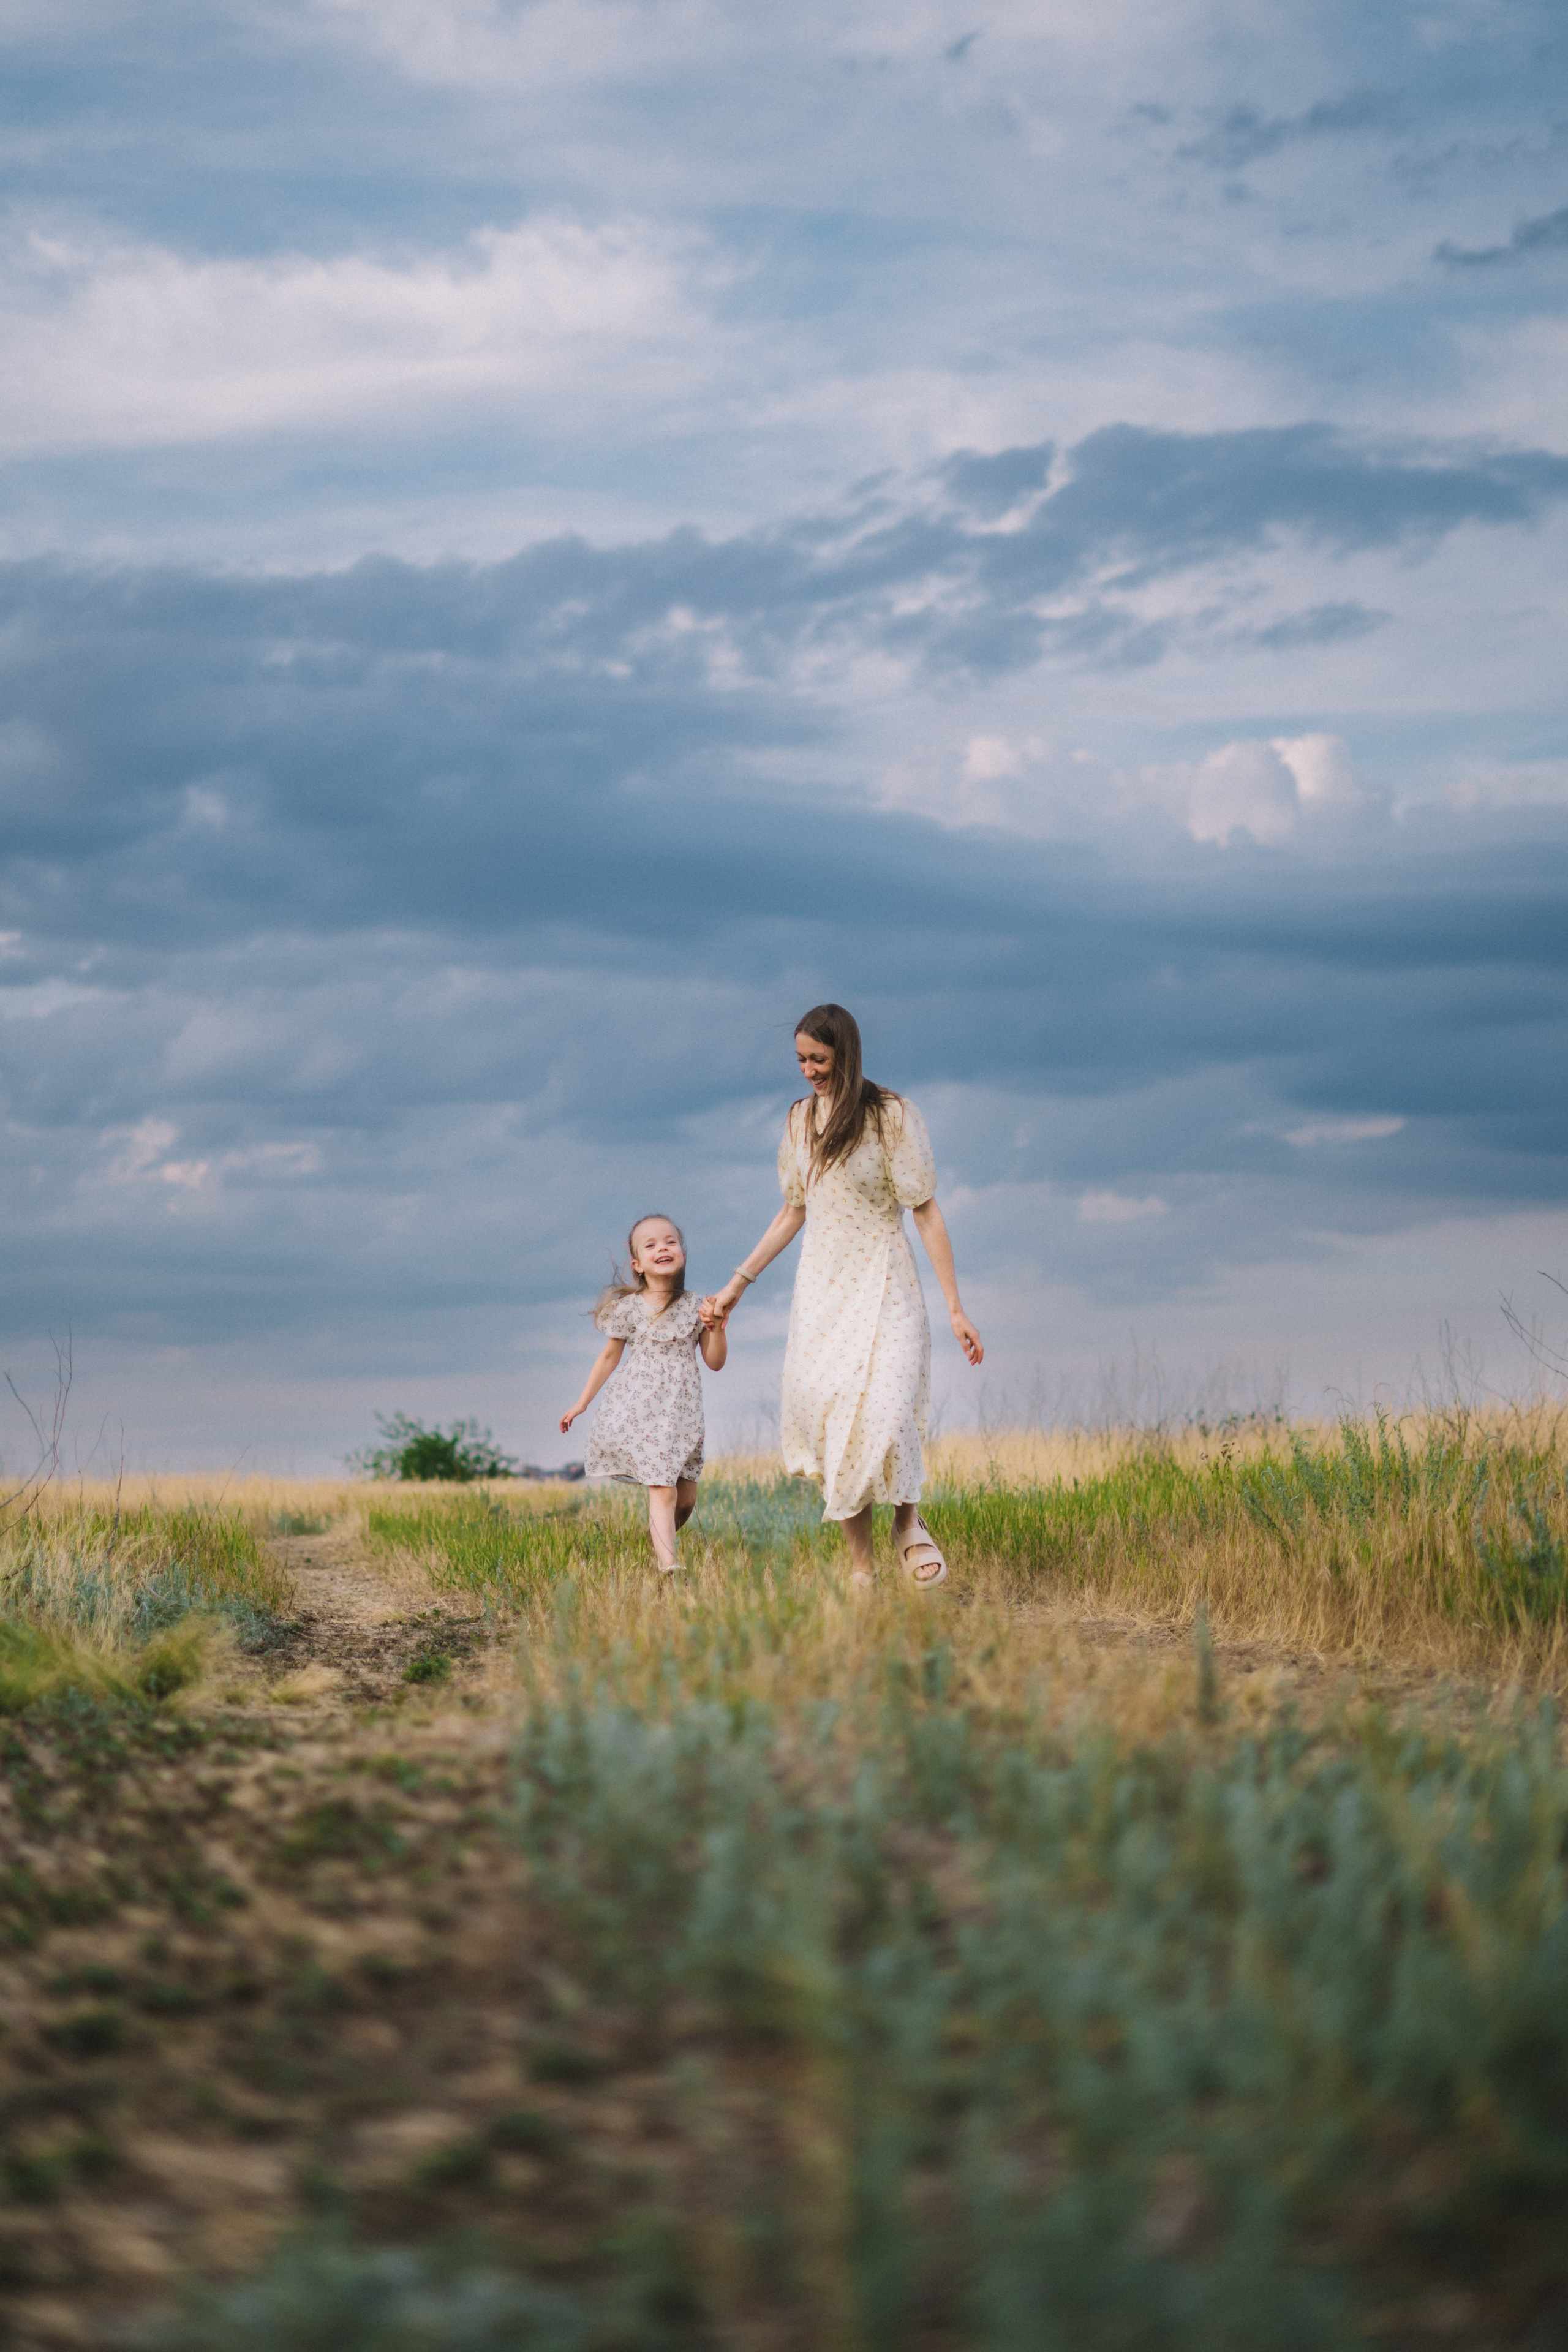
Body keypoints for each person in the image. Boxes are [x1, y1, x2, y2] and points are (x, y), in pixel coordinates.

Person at [703, 1005, 982, 1588]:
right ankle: (862, 1571)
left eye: (819, 1059)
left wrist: (955, 1307)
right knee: (835, 1421)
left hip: (886, 1280)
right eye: (801, 1059)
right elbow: (793, 1210)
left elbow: (925, 1212)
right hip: (823, 1291)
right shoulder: (800, 1121)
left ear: (847, 1055)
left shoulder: (893, 1116)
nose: (808, 1070)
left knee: (890, 1405)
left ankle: (908, 1523)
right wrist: (736, 1286)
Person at [561, 1214, 727, 1571]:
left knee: (684, 1501)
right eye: (650, 1245)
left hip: (682, 1413)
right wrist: (582, 1403)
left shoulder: (699, 1306)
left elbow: (715, 1362)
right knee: (662, 1489)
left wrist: (717, 1327)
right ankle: (668, 1567)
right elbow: (608, 1357)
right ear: (637, 1265)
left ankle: (656, 1541)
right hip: (639, 1408)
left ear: (682, 1252)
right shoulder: (628, 1310)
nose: (662, 1248)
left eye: (670, 1242)